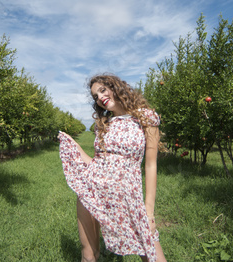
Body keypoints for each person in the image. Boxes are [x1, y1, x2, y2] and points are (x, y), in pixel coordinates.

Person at [58, 74, 167, 262]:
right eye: (95, 96)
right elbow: (98, 163)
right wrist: (73, 146)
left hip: (127, 196)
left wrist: (148, 211)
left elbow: (150, 165)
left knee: (153, 256)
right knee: (89, 256)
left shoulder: (145, 117)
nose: (99, 97)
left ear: (116, 87)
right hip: (92, 191)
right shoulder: (103, 125)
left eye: (102, 90)